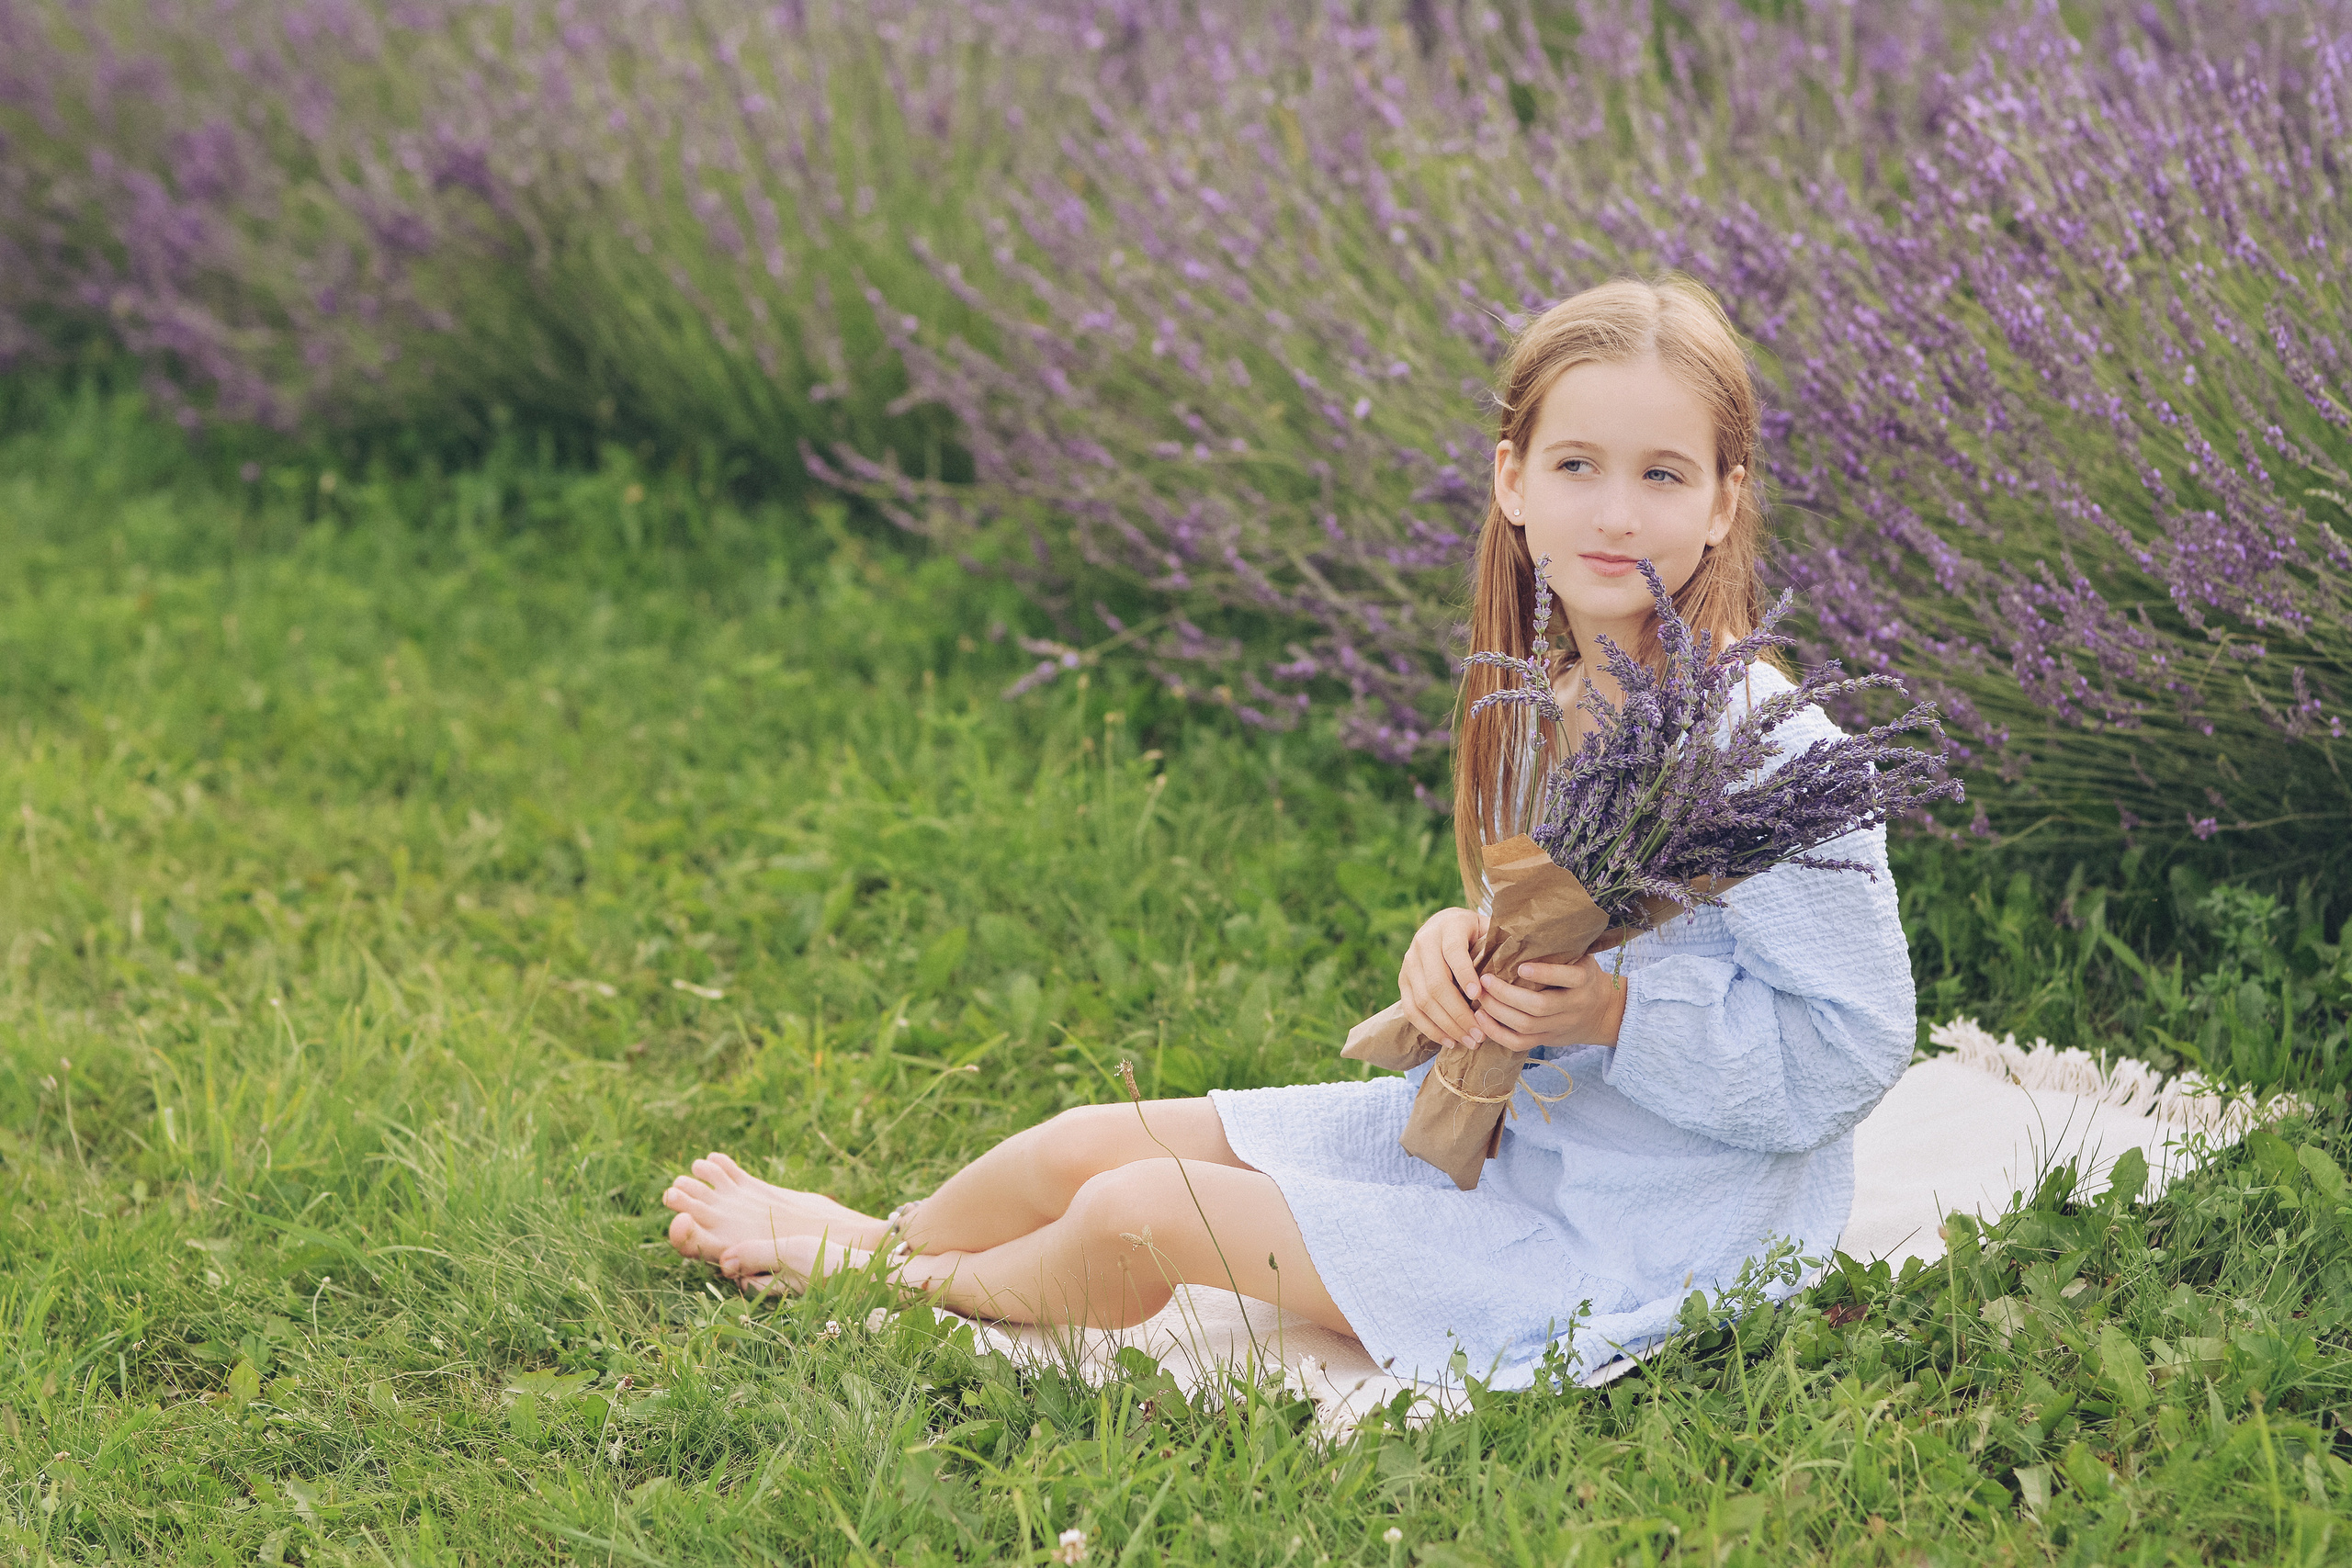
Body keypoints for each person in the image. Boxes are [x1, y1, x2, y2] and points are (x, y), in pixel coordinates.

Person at [658, 274, 1916, 1387]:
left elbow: (1854, 1047)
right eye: (1577, 465)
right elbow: (1576, 919)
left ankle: (883, 1281)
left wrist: (1612, 1018)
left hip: (1638, 1222)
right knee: (1091, 1146)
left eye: (1662, 475)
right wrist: (1458, 947)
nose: (1615, 514)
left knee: (1138, 1213)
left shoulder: (1769, 751)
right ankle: (889, 1230)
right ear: (1512, 481)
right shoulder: (1557, 690)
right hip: (1530, 1139)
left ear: (1721, 502)